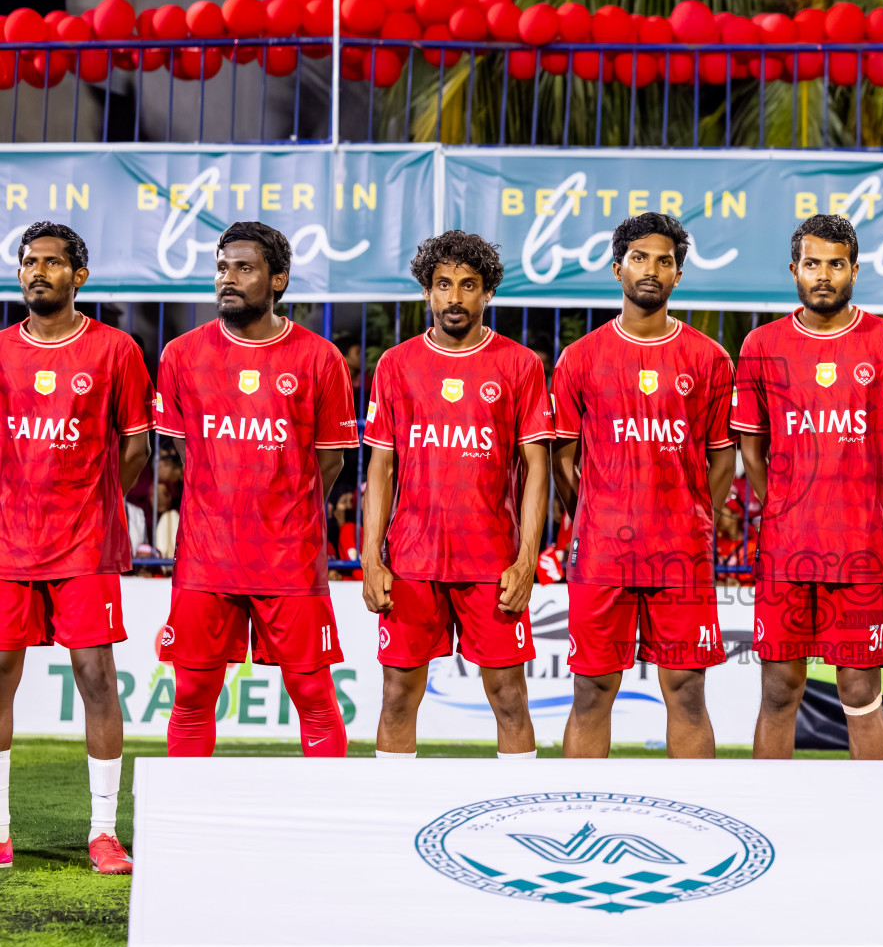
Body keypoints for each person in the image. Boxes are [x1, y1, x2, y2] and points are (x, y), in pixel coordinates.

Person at [152, 222, 357, 757]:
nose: (229, 279)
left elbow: (329, 462)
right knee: (193, 692)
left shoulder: (320, 359)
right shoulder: (181, 355)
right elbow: (185, 452)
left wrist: (283, 506)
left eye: (245, 269)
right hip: (206, 555)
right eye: (223, 268)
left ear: (278, 280)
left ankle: (322, 834)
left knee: (312, 692)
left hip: (289, 556)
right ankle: (185, 827)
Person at [732, 215, 883, 759]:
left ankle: (876, 825)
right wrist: (780, 508)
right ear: (794, 270)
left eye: (835, 264)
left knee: (860, 691)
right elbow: (751, 447)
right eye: (812, 264)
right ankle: (774, 821)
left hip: (861, 549)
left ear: (854, 271)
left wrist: (873, 511)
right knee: (778, 689)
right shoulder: (761, 344)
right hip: (785, 548)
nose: (824, 275)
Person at [361, 231, 553, 759]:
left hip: (491, 563)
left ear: (486, 293)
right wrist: (370, 559)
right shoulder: (396, 365)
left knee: (510, 697)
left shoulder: (519, 365)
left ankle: (519, 822)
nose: (455, 297)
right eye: (444, 284)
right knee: (398, 696)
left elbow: (538, 470)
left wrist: (525, 559)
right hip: (410, 562)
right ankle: (394, 825)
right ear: (428, 291)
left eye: (468, 286)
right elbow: (381, 467)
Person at [551, 213, 735, 758]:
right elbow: (564, 459)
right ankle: (579, 812)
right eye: (639, 258)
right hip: (603, 553)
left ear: (678, 275)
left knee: (687, 692)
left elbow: (722, 459)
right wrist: (589, 518)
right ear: (617, 268)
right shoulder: (581, 358)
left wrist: (698, 517)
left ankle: (696, 823)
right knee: (590, 692)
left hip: (681, 551)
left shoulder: (709, 358)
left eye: (664, 260)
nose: (651, 269)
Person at [0, 222, 152, 874]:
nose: (38, 271)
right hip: (8, 544)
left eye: (52, 263)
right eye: (29, 262)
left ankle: (102, 833)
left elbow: (138, 446)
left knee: (96, 679)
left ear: (78, 276)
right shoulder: (2, 350)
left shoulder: (115, 350)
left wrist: (95, 504)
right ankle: (1, 833)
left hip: (86, 547)